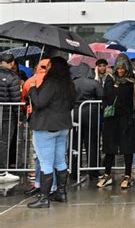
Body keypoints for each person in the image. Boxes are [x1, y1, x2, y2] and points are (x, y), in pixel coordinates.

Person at [27, 57, 75, 209]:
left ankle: (44, 198)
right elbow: (71, 104)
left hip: (46, 126)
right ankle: (61, 193)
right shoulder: (69, 84)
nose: (46, 68)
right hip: (63, 126)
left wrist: (33, 88)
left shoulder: (50, 83)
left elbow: (40, 102)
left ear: (54, 67)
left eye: (48, 65)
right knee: (60, 161)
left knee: (46, 163)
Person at [97, 54, 135, 189]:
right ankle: (107, 173)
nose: (120, 71)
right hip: (111, 118)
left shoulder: (131, 81)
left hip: (126, 118)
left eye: (123, 68)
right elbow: (105, 97)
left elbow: (134, 99)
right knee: (109, 147)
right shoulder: (110, 79)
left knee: (127, 147)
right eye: (118, 68)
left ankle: (127, 174)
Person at [70, 62, 103, 180]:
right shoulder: (94, 83)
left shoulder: (72, 83)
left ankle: (74, 170)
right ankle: (93, 170)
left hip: (74, 114)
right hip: (91, 114)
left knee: (74, 143)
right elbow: (101, 97)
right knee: (92, 143)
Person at [0, 53, 21, 183]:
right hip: (6, 115)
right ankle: (2, 171)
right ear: (12, 63)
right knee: (4, 142)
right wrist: (19, 116)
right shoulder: (12, 77)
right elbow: (15, 99)